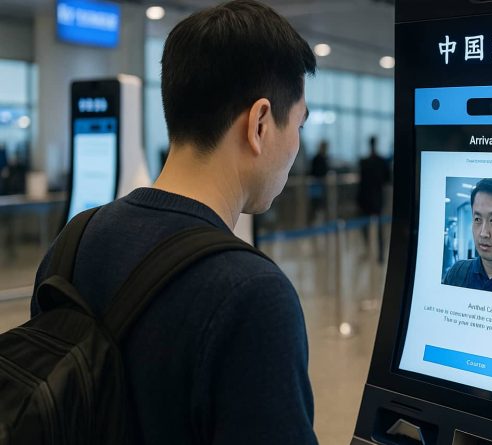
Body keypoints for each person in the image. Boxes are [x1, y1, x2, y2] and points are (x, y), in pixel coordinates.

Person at [30, 1, 318, 443]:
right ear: (260, 122)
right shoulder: (253, 295)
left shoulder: (73, 241)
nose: (297, 145)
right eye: (298, 123)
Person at [357, 135, 390, 261]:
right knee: (378, 229)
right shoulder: (381, 161)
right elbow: (387, 180)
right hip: (377, 198)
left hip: (366, 198)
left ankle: (370, 251)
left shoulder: (365, 162)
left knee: (367, 227)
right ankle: (379, 254)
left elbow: (362, 182)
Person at [308, 140, 330, 224]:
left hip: (319, 186)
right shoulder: (319, 158)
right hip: (317, 186)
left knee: (319, 205)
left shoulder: (321, 158)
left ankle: (318, 221)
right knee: (316, 205)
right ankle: (314, 222)